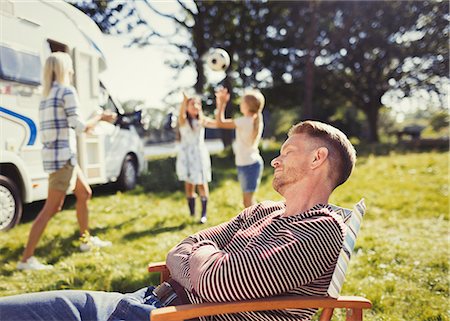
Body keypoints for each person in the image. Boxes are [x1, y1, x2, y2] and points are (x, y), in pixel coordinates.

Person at [0, 120, 357, 321]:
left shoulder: (321, 229)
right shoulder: (262, 210)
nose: (276, 161)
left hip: (170, 318)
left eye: (287, 152)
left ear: (317, 159)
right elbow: (180, 248)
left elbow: (222, 283)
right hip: (144, 302)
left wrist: (202, 259)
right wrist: (203, 258)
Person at [17, 52, 115, 271]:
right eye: (70, 68)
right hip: (64, 159)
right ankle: (25, 260)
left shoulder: (45, 97)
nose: (72, 71)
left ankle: (85, 241)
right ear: (64, 69)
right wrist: (100, 116)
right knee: (51, 208)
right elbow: (79, 127)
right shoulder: (66, 91)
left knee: (84, 193)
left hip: (58, 157)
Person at [214, 87, 265, 208]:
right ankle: (257, 223)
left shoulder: (245, 121)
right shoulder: (253, 120)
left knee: (248, 203)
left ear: (247, 106)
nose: (240, 104)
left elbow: (220, 123)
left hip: (249, 165)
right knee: (248, 202)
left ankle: (258, 224)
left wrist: (221, 103)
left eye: (242, 102)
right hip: (248, 164)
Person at [176, 93, 217, 224]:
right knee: (189, 185)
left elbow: (217, 123)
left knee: (202, 183)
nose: (195, 106)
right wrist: (184, 101)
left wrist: (220, 105)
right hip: (187, 156)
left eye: (198, 104)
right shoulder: (183, 121)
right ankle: (192, 212)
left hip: (199, 156)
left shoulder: (202, 121)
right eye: (192, 104)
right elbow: (181, 115)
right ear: (186, 107)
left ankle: (203, 214)